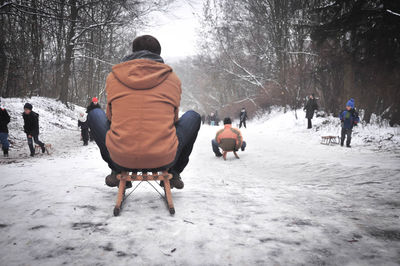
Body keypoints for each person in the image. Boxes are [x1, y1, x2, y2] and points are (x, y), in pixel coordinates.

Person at [87, 35, 201, 190]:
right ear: (158, 55)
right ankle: (174, 171)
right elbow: (173, 120)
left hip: (120, 158)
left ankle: (116, 170)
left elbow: (110, 117)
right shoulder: (172, 79)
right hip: (164, 158)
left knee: (94, 114)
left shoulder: (113, 77)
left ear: (133, 52)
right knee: (193, 116)